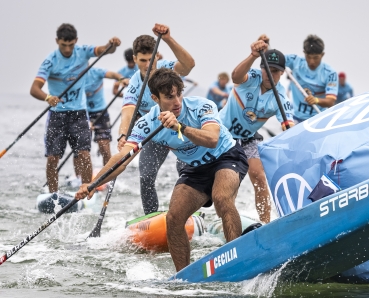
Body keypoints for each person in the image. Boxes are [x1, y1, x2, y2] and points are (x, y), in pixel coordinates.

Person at [75, 68, 248, 272]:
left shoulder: (202, 106)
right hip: (195, 168)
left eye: (179, 94)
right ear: (155, 98)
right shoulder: (147, 124)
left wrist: (180, 127)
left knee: (221, 198)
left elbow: (212, 139)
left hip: (226, 156)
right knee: (173, 219)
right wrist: (95, 184)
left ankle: (236, 262)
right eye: (169, 97)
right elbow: (122, 158)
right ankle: (184, 276)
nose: (177, 102)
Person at [30, 23, 120, 193]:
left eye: (70, 45)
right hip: (57, 115)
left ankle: (88, 192)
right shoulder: (50, 61)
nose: (67, 49)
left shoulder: (83, 52)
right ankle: (52, 194)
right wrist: (48, 98)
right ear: (57, 41)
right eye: (63, 45)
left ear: (76, 41)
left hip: (79, 114)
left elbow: (105, 50)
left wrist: (112, 45)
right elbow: (34, 89)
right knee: (52, 158)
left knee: (84, 155)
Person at [118, 23, 195, 215]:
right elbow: (127, 111)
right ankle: (151, 219)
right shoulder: (134, 85)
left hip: (181, 130)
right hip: (156, 134)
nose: (147, 65)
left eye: (150, 59)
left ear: (157, 56)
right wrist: (122, 135)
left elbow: (189, 65)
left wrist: (168, 38)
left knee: (188, 173)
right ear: (135, 59)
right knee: (146, 177)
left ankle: (192, 213)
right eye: (142, 60)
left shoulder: (168, 69)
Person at [219, 37, 294, 223]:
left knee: (259, 177)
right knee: (226, 180)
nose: (269, 74)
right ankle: (226, 217)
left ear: (282, 73)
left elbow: (288, 126)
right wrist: (252, 56)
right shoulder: (251, 76)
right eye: (266, 69)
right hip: (221, 134)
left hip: (247, 139)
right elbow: (235, 76)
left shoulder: (281, 97)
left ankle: (265, 223)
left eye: (275, 71)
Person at [280, 34, 338, 123]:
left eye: (316, 58)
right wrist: (265, 46)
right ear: (304, 53)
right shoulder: (295, 61)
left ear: (322, 55)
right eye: (308, 57)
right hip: (295, 118)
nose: (311, 61)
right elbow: (274, 58)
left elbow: (330, 102)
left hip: (318, 119)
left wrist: (316, 100)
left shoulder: (330, 73)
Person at [85, 67, 128, 165]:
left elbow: (113, 74)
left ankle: (107, 176)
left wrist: (121, 79)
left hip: (101, 113)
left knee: (104, 147)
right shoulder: (73, 76)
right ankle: (78, 177)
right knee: (81, 150)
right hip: (82, 113)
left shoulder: (96, 71)